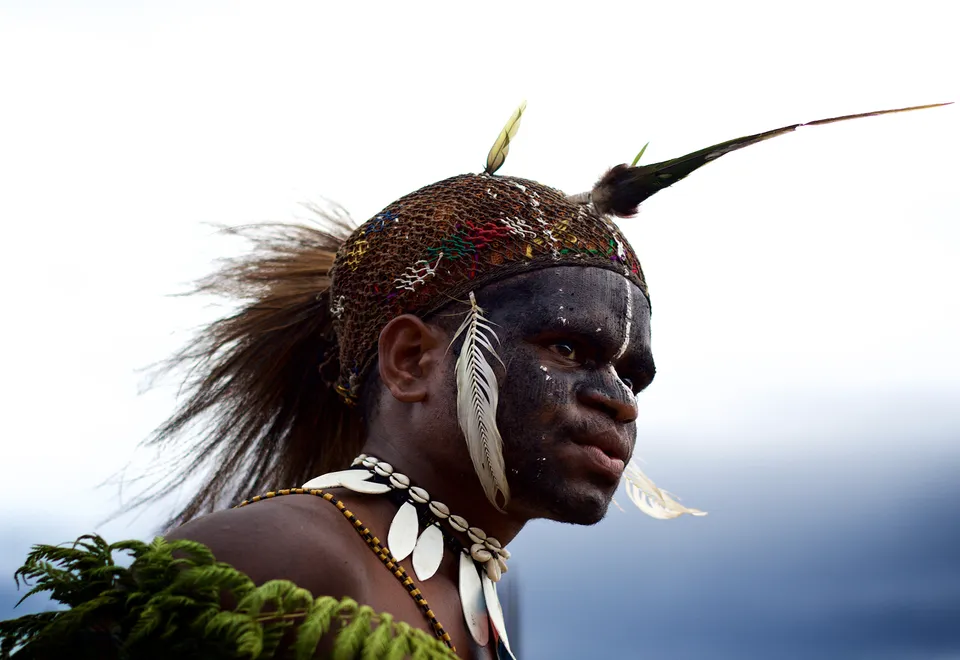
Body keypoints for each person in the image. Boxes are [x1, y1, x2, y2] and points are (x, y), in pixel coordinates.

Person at [0, 102, 946, 660]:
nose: (618, 398)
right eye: (571, 348)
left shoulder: (486, 594)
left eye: (634, 373)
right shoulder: (278, 555)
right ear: (412, 359)